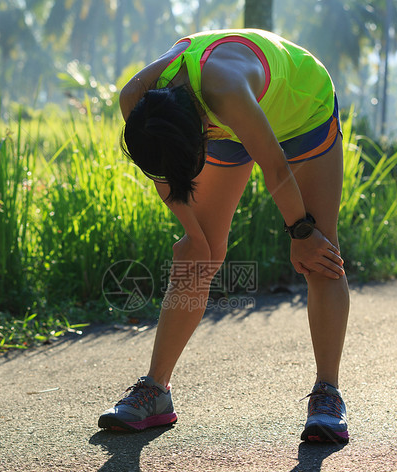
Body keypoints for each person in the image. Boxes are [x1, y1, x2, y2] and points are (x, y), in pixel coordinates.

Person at [97, 29, 350, 443]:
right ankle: (156, 390)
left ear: (198, 130)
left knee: (319, 253)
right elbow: (166, 172)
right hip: (223, 125)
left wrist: (301, 232)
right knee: (198, 254)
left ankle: (327, 394)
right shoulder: (136, 99)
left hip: (300, 110)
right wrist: (193, 233)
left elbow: (275, 168)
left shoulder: (226, 90)